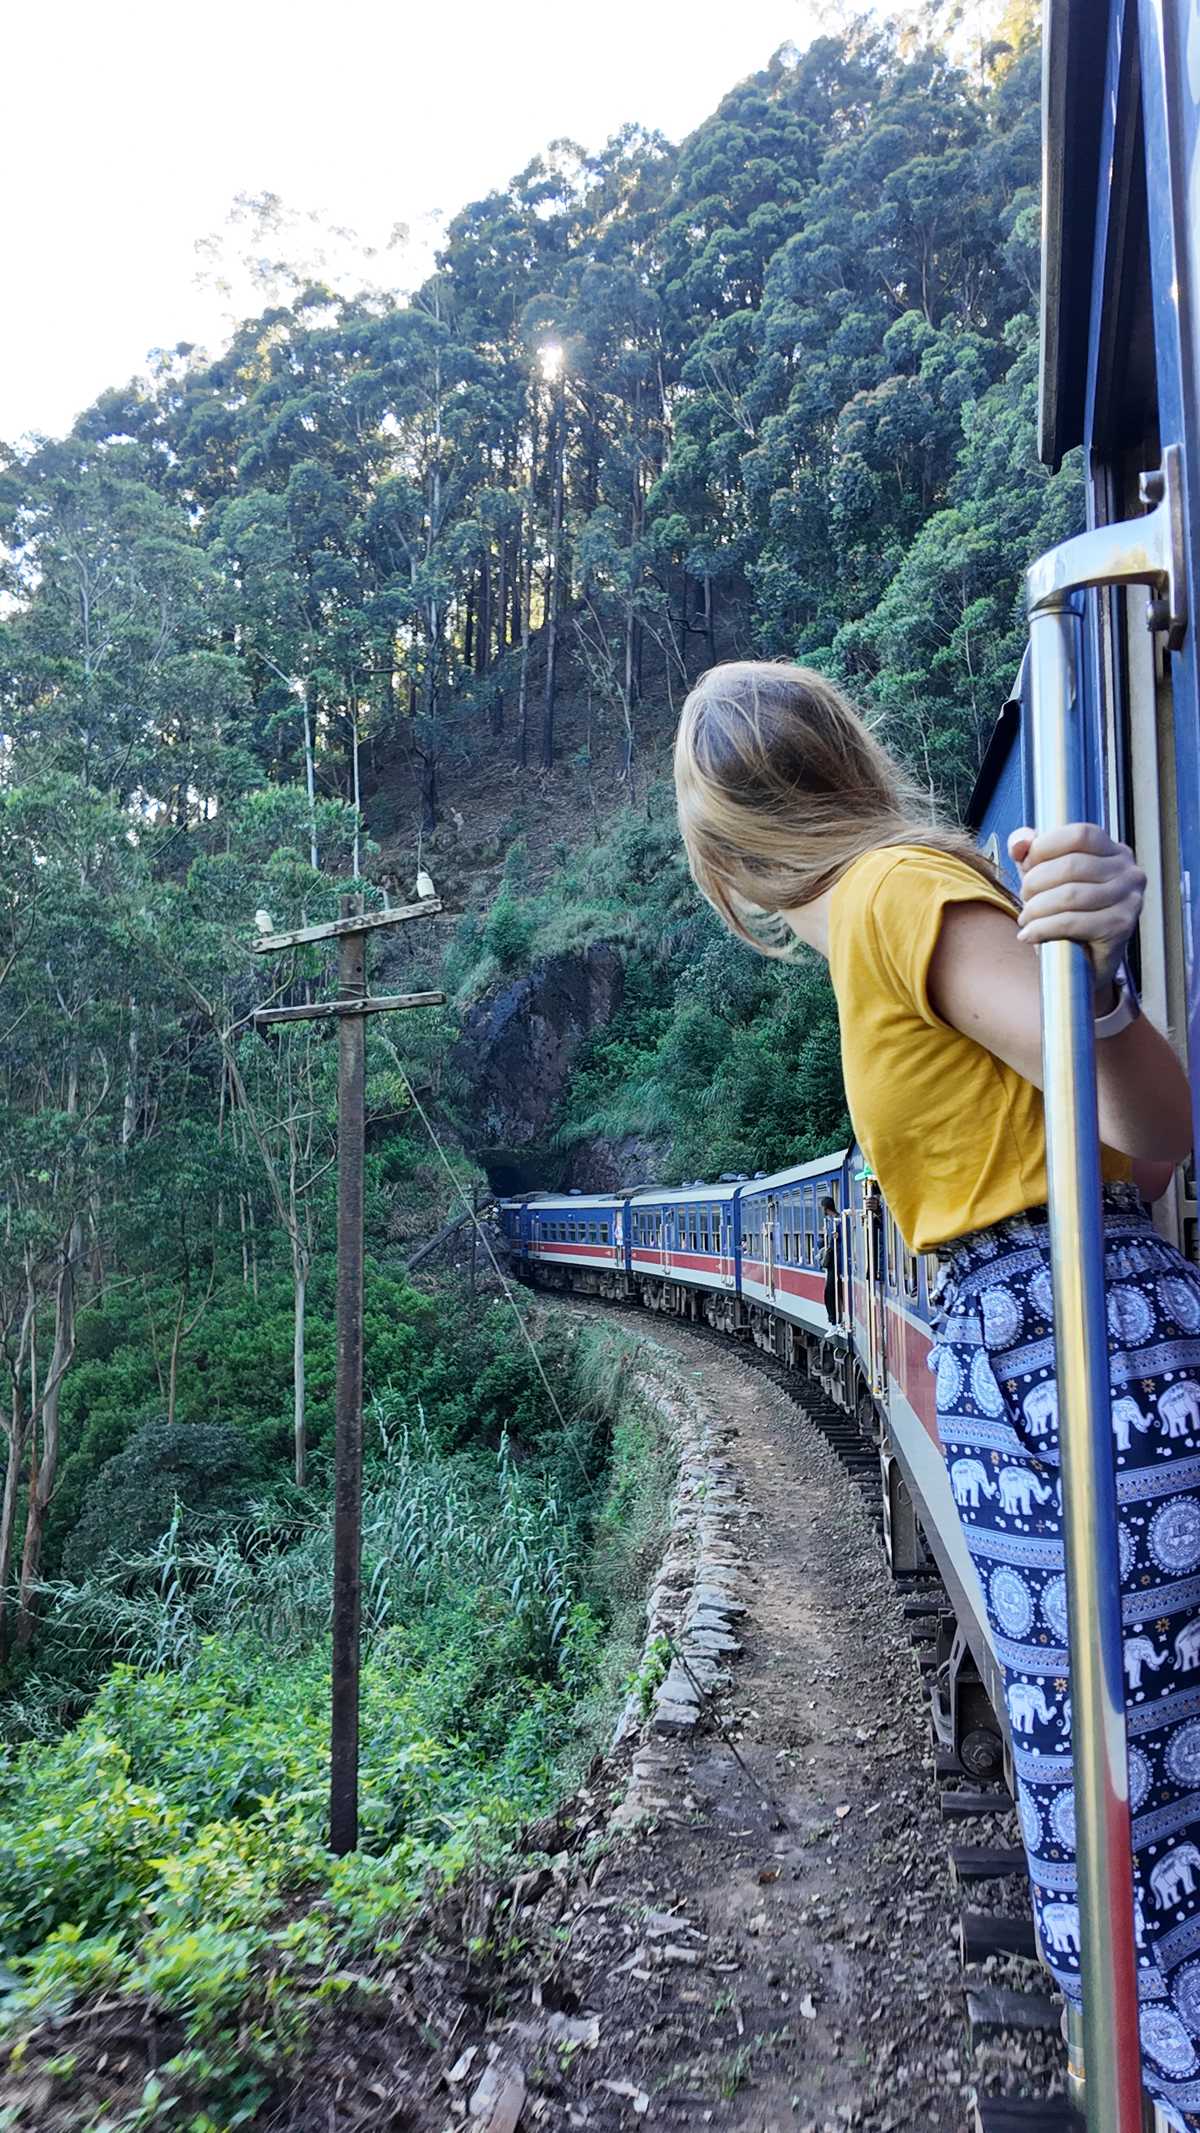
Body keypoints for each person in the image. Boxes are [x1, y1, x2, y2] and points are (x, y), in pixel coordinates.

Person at [673, 659, 1200, 2127]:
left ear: (722, 854)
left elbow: (1128, 1106)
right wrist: (1087, 984)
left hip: (1054, 1351)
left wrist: (1087, 966)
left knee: (1129, 1807)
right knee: (1117, 1791)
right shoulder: (890, 911)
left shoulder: (896, 893)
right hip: (1046, 1347)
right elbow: (1155, 1129)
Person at [819, 1193, 843, 1328]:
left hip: (836, 1264)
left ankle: (834, 1321)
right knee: (830, 1292)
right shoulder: (833, 1222)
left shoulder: (838, 1222)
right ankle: (834, 1320)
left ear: (826, 1208)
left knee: (829, 1293)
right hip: (834, 1263)